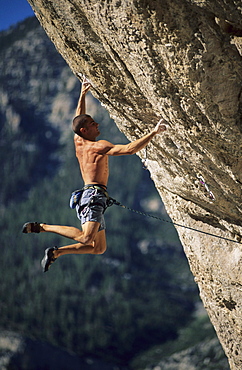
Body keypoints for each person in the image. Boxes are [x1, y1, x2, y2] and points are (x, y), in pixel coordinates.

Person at [22, 77, 167, 272]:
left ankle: (56, 253)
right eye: (92, 123)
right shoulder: (99, 147)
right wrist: (154, 132)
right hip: (93, 197)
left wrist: (83, 94)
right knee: (85, 238)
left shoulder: (78, 140)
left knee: (98, 248)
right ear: (85, 130)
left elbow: (78, 117)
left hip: (93, 195)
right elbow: (130, 149)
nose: (97, 124)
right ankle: (43, 227)